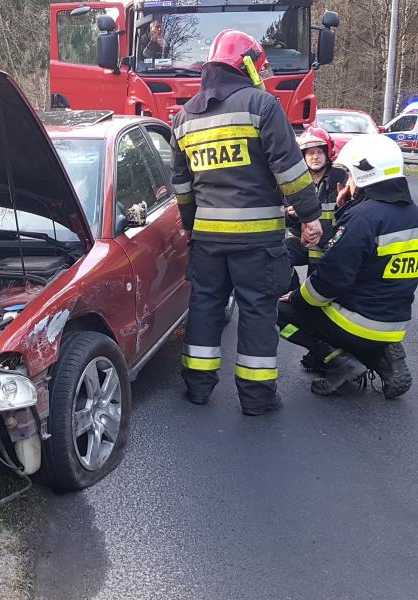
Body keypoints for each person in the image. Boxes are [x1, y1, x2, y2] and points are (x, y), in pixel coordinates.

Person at [171, 29, 322, 415]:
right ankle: (256, 400)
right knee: (256, 312)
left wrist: (191, 225)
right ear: (248, 65)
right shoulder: (262, 106)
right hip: (256, 242)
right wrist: (309, 217)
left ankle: (198, 388)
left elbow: (182, 187)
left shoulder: (184, 118)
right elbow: (290, 172)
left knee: (205, 307)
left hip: (207, 240)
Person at [278, 134, 417, 398]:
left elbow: (329, 282)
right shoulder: (413, 215)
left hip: (356, 323)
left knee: (276, 313)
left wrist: (296, 298)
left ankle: (338, 359)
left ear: (364, 175)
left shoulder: (363, 218)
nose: (348, 181)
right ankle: (380, 354)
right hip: (394, 321)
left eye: (351, 175)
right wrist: (347, 210)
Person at [285, 127, 348, 372]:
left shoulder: (341, 177)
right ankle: (292, 298)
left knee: (323, 297)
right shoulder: (293, 181)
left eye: (319, 152)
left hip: (332, 247)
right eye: (309, 153)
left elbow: (351, 216)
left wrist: (324, 240)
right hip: (301, 242)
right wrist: (290, 217)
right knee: (279, 256)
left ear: (327, 152)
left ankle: (325, 350)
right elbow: (279, 216)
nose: (314, 157)